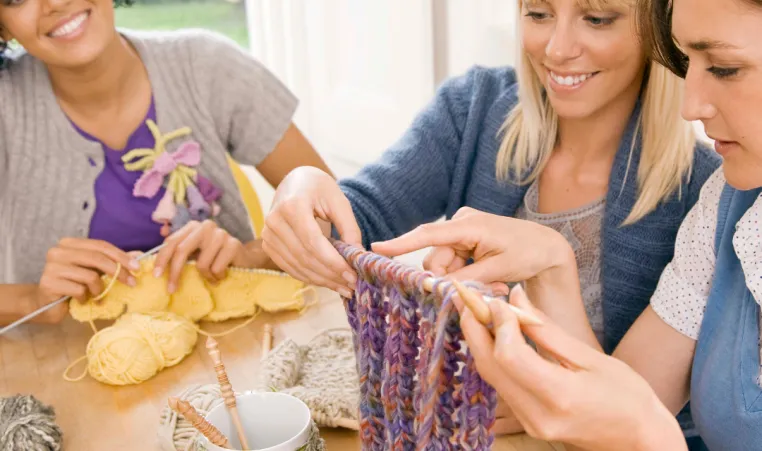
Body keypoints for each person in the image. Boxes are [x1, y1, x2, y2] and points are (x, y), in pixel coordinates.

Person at [262, 0, 720, 441]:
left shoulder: (706, 195)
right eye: (538, 13)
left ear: (662, 31)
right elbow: (355, 218)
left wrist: (536, 397)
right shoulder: (475, 110)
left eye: (597, 19)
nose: (557, 48)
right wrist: (301, 185)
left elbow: (650, 417)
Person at [371, 0, 762, 447]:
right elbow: (615, 407)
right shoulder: (727, 204)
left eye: (726, 68)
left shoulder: (701, 181)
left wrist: (647, 434)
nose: (690, 106)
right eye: (686, 60)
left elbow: (633, 423)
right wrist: (551, 266)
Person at [0, 0, 331, 326]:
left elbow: (337, 213)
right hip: (56, 368)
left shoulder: (208, 67)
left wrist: (253, 256)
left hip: (237, 360)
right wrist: (30, 300)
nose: (55, 2)